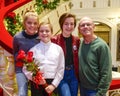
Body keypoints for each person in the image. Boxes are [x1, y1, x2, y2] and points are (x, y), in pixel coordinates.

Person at [24, 22, 65, 96]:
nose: (44, 33)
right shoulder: (33, 50)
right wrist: (35, 79)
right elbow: (25, 68)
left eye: (47, 31)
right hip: (37, 84)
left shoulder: (58, 49)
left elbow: (60, 69)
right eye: (41, 31)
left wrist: (53, 85)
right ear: (38, 33)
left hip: (52, 83)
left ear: (52, 33)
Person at [78, 16, 112, 96]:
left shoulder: (101, 46)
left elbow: (106, 73)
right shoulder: (79, 42)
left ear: (94, 27)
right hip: (82, 88)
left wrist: (100, 93)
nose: (85, 27)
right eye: (82, 25)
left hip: (95, 90)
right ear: (79, 29)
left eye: (88, 24)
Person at [51, 13, 80, 96]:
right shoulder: (54, 40)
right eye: (66, 24)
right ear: (61, 25)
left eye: (72, 24)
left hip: (73, 74)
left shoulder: (77, 40)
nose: (69, 26)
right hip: (60, 74)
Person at [13, 10, 39, 96]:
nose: (32, 25)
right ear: (24, 23)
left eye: (35, 23)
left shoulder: (40, 37)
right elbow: (15, 53)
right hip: (21, 69)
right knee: (22, 93)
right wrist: (23, 57)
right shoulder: (17, 37)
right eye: (29, 23)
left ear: (38, 24)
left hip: (36, 70)